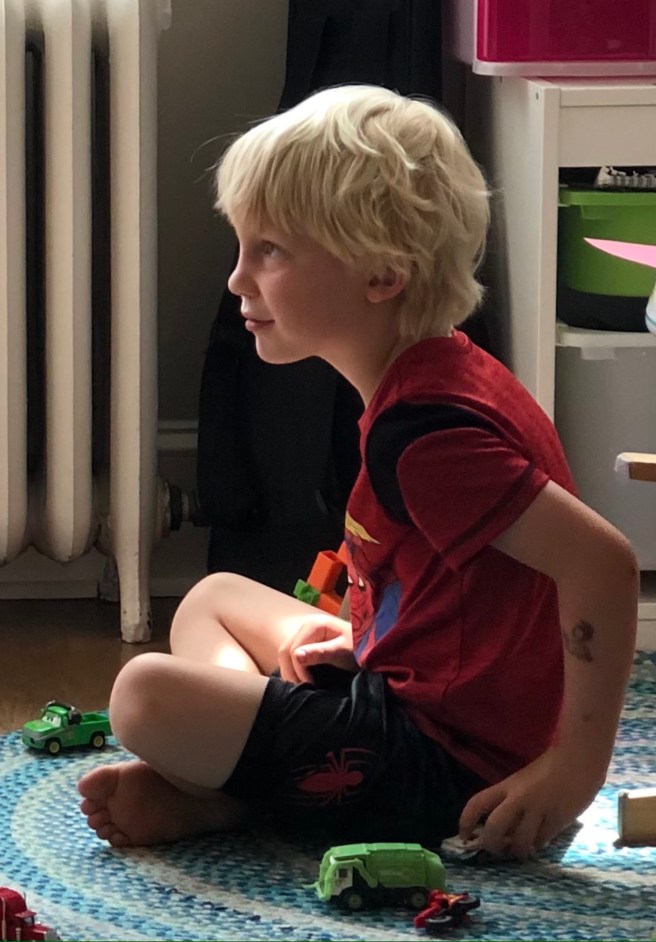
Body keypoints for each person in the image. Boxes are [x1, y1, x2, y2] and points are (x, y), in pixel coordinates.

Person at [78, 85, 639, 859]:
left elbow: (603, 564)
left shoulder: (429, 439)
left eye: (270, 251)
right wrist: (366, 640)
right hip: (414, 699)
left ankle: (229, 792)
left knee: (143, 696)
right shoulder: (432, 376)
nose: (238, 279)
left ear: (382, 275)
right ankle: (236, 778)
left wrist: (573, 769)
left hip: (448, 767)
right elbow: (469, 594)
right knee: (213, 598)